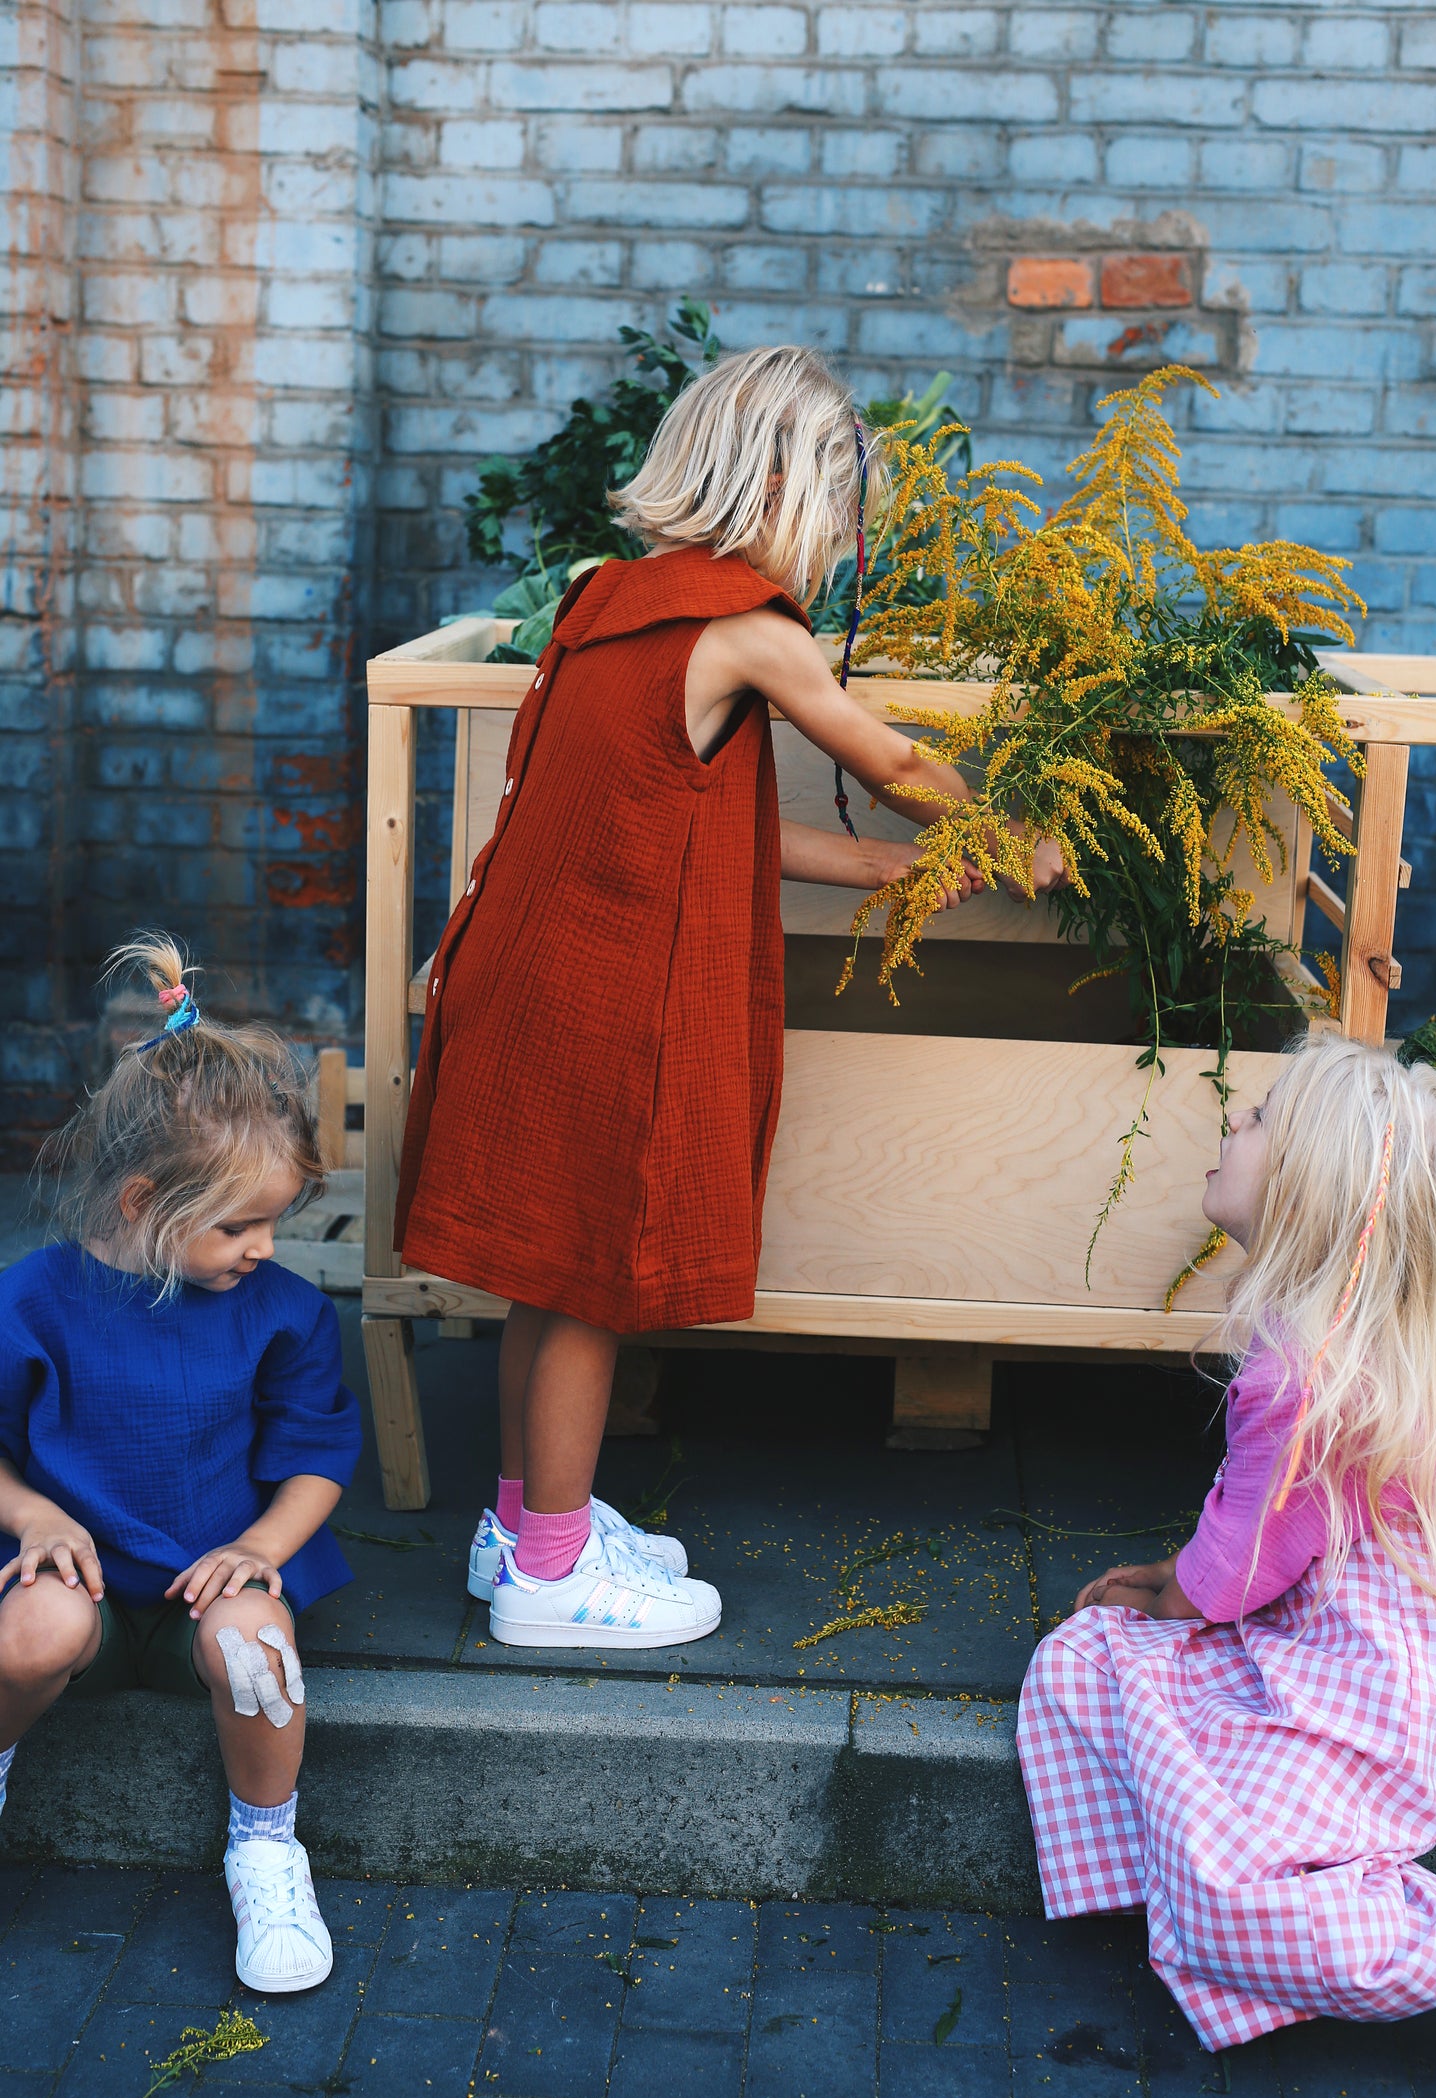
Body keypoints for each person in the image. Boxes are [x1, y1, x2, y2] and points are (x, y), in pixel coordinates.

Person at [396, 343, 1065, 1651]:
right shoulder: (747, 632)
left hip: (522, 976)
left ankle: (523, 1526)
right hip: (606, 1003)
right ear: (782, 489)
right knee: (589, 1280)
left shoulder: (607, 603)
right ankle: (549, 1577)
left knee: (541, 1277)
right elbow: (892, 758)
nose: (846, 541)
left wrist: (892, 867)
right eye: (842, 509)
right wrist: (1017, 834)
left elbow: (688, 812)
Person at [1018, 1032, 1436, 2050]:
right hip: (1333, 1666)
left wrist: (1170, 1588)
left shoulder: (1302, 1376)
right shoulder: (1360, 1354)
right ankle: (1190, 1874)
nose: (1226, 1124)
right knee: (1081, 1662)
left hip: (1357, 1712)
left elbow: (1232, 1571)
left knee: (1090, 1659)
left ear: (1303, 1187)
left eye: (1252, 1119)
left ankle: (1244, 1904)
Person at [0, 935, 362, 1996]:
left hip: (211, 1588)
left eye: (275, 1221)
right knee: (33, 1630)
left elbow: (316, 1457)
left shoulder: (284, 1312)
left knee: (259, 1652)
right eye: (237, 1223)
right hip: (83, 1588)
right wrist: (31, 1518)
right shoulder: (31, 1298)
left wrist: (261, 1548)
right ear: (140, 1201)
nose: (263, 1245)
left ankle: (265, 1844)